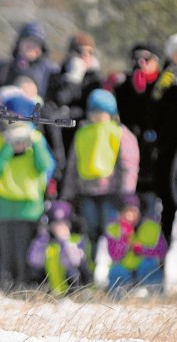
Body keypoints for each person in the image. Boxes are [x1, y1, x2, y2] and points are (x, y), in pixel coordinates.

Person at [62, 89, 139, 262]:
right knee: (90, 231)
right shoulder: (82, 133)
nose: (97, 116)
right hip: (86, 191)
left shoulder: (120, 133)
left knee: (111, 230)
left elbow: (128, 164)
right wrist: (68, 193)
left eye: (101, 112)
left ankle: (113, 268)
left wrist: (127, 193)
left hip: (111, 192)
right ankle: (92, 267)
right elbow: (73, 166)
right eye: (94, 112)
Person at [0, 94, 54, 291]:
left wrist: (35, 141)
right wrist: (8, 146)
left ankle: (27, 285)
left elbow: (45, 166)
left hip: (30, 206)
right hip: (6, 205)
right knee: (8, 251)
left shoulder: (36, 139)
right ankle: (8, 285)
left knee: (27, 252)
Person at [44, 32, 104, 189]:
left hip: (81, 134)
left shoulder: (96, 79)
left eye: (90, 52)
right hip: (59, 137)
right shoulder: (58, 75)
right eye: (80, 52)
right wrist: (72, 79)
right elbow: (57, 101)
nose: (85, 56)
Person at [113, 43, 162, 219]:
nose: (140, 63)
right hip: (129, 166)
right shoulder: (122, 88)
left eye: (146, 59)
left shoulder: (165, 86)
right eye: (136, 59)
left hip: (157, 163)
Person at [0, 21, 59, 104]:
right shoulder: (4, 69)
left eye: (37, 43)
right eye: (29, 41)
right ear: (19, 42)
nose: (32, 46)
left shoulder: (50, 71)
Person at [27, 200, 93, 295]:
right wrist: (43, 238)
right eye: (56, 224)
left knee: (73, 272)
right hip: (51, 292)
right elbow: (34, 263)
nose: (60, 227)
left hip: (72, 289)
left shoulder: (77, 240)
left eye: (64, 223)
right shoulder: (44, 241)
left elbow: (74, 263)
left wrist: (65, 241)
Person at [106, 194, 167, 295]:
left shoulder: (151, 226)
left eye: (133, 211)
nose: (129, 215)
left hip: (145, 268)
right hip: (124, 270)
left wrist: (143, 250)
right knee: (116, 270)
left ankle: (156, 296)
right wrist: (124, 237)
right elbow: (114, 255)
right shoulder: (113, 229)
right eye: (126, 211)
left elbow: (162, 251)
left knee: (148, 265)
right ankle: (117, 298)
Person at [150, 34, 177, 246]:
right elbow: (153, 112)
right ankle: (165, 251)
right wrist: (162, 89)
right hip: (168, 148)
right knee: (168, 202)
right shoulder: (166, 77)